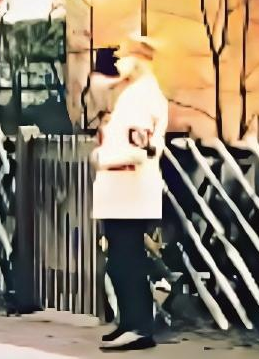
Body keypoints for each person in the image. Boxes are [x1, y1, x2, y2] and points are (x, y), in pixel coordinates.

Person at [90, 33, 168, 352]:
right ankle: (130, 323)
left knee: (127, 260)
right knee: (121, 260)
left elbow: (142, 149)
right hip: (123, 190)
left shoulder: (143, 96)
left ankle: (138, 327)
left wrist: (103, 157)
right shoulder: (135, 94)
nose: (119, 63)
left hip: (129, 190)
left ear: (139, 59)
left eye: (124, 56)